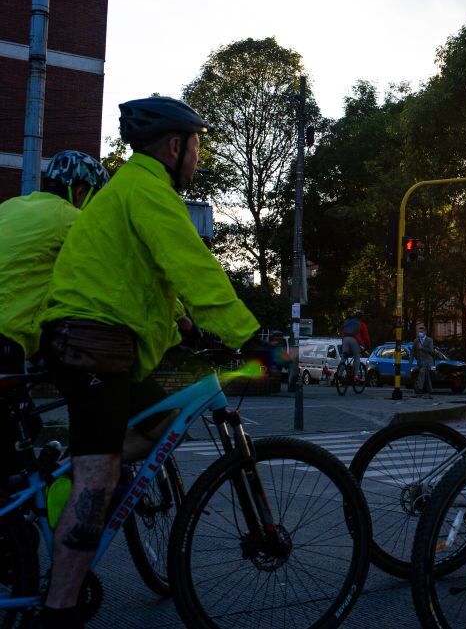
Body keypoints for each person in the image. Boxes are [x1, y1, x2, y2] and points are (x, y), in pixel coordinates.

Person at [34, 96, 267, 629]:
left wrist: (186, 322)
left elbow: (153, 272)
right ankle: (58, 611)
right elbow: (192, 265)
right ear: (175, 146)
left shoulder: (133, 188)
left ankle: (72, 472)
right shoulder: (148, 189)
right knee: (98, 476)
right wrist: (250, 337)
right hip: (91, 342)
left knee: (165, 411)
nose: (199, 159)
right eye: (197, 147)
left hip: (103, 341)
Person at [0, 151, 109, 375]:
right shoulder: (71, 219)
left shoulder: (10, 206)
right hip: (5, 333)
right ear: (81, 191)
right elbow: (115, 267)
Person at [340, 311, 368, 380]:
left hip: (345, 339)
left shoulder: (348, 322)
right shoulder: (361, 323)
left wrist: (343, 341)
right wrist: (367, 346)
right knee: (357, 356)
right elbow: (366, 336)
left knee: (344, 356)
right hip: (354, 340)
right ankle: (356, 375)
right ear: (361, 317)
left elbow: (343, 331)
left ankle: (339, 374)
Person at [412, 326, 436, 397]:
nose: (420, 333)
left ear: (425, 332)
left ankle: (419, 388)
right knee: (426, 375)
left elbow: (431, 351)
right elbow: (413, 352)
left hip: (428, 362)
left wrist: (422, 348)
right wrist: (414, 360)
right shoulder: (416, 341)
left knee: (422, 371)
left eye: (421, 332)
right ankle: (430, 390)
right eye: (419, 332)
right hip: (420, 362)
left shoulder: (429, 340)